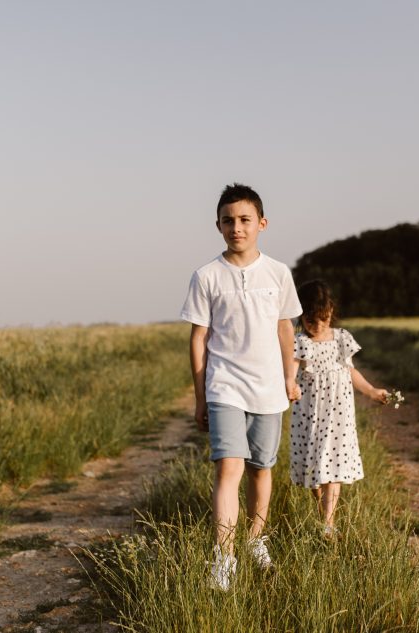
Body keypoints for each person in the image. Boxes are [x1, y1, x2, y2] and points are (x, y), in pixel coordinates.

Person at [180, 183, 303, 591]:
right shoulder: (207, 276)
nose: (237, 227)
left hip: (268, 389)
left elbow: (286, 328)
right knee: (228, 468)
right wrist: (201, 395)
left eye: (245, 220)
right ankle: (224, 559)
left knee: (261, 469)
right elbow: (199, 338)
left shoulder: (279, 273)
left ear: (261, 224)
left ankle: (256, 540)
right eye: (228, 221)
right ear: (217, 226)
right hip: (224, 387)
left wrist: (289, 376)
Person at [290, 279, 389, 537]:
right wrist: (290, 387)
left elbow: (351, 371)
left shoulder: (342, 338)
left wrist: (371, 390)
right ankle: (323, 513)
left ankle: (328, 523)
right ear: (302, 316)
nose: (318, 325)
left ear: (331, 312)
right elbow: (290, 373)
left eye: (322, 318)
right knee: (314, 467)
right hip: (310, 412)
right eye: (311, 320)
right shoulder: (301, 341)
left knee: (332, 464)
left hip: (338, 412)